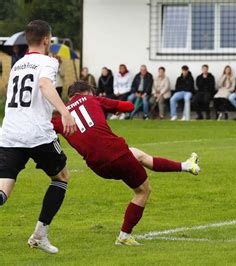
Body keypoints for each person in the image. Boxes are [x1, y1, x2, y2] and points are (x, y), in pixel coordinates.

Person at [51, 81, 200, 246]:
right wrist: (111, 107)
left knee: (138, 155)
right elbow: (129, 106)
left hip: (97, 166)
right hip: (116, 154)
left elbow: (45, 129)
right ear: (86, 92)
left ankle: (186, 166)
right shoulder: (93, 100)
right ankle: (124, 236)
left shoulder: (59, 118)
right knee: (143, 191)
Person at [0, 20, 77, 254]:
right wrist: (65, 111)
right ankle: (39, 235)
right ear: (46, 40)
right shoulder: (48, 62)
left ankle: (39, 236)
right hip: (37, 134)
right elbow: (44, 84)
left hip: (9, 133)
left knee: (2, 191)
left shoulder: (18, 64)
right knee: (61, 177)